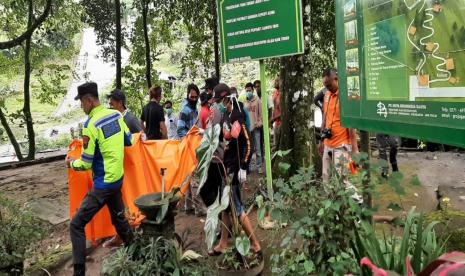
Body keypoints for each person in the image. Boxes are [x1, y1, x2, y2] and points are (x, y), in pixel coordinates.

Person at [66, 82, 133, 276]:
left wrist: (71, 163)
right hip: (117, 179)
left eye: (81, 103)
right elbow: (127, 139)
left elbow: (85, 163)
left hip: (104, 184)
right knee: (120, 220)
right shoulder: (116, 115)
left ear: (89, 100)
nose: (81, 107)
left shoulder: (90, 125)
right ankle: (139, 257)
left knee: (76, 225)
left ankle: (79, 273)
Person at [211, 84, 261, 256]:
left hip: (235, 168)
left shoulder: (237, 115)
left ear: (225, 99)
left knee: (237, 208)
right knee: (226, 207)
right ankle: (223, 243)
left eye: (219, 101)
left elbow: (249, 143)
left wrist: (244, 167)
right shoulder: (227, 113)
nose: (217, 104)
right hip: (227, 165)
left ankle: (255, 244)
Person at [319, 68, 362, 202]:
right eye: (325, 86)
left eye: (329, 85)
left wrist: (355, 150)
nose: (327, 88)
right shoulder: (326, 95)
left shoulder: (346, 96)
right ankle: (332, 209)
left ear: (336, 79)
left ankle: (359, 203)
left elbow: (351, 125)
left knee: (343, 180)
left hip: (342, 145)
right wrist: (321, 141)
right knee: (325, 178)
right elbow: (325, 117)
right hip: (327, 144)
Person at [177, 84, 202, 214]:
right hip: (189, 146)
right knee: (194, 176)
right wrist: (188, 140)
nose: (194, 98)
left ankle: (188, 206)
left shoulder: (193, 107)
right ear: (188, 95)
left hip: (193, 144)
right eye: (191, 96)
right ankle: (198, 208)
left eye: (195, 96)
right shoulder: (185, 109)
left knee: (189, 175)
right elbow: (180, 129)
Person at [244, 82, 263, 174]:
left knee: (258, 149)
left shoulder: (258, 100)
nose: (248, 92)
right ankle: (250, 167)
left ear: (253, 90)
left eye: (250, 90)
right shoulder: (244, 102)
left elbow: (261, 115)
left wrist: (258, 124)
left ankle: (259, 167)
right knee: (250, 149)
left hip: (256, 128)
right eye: (247, 91)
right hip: (248, 130)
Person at [270, 77, 282, 150]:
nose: (275, 82)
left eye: (277, 81)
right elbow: (274, 107)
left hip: (281, 122)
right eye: (275, 81)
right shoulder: (275, 92)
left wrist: (273, 119)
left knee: (279, 145)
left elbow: (283, 112)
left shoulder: (283, 94)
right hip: (276, 122)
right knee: (276, 145)